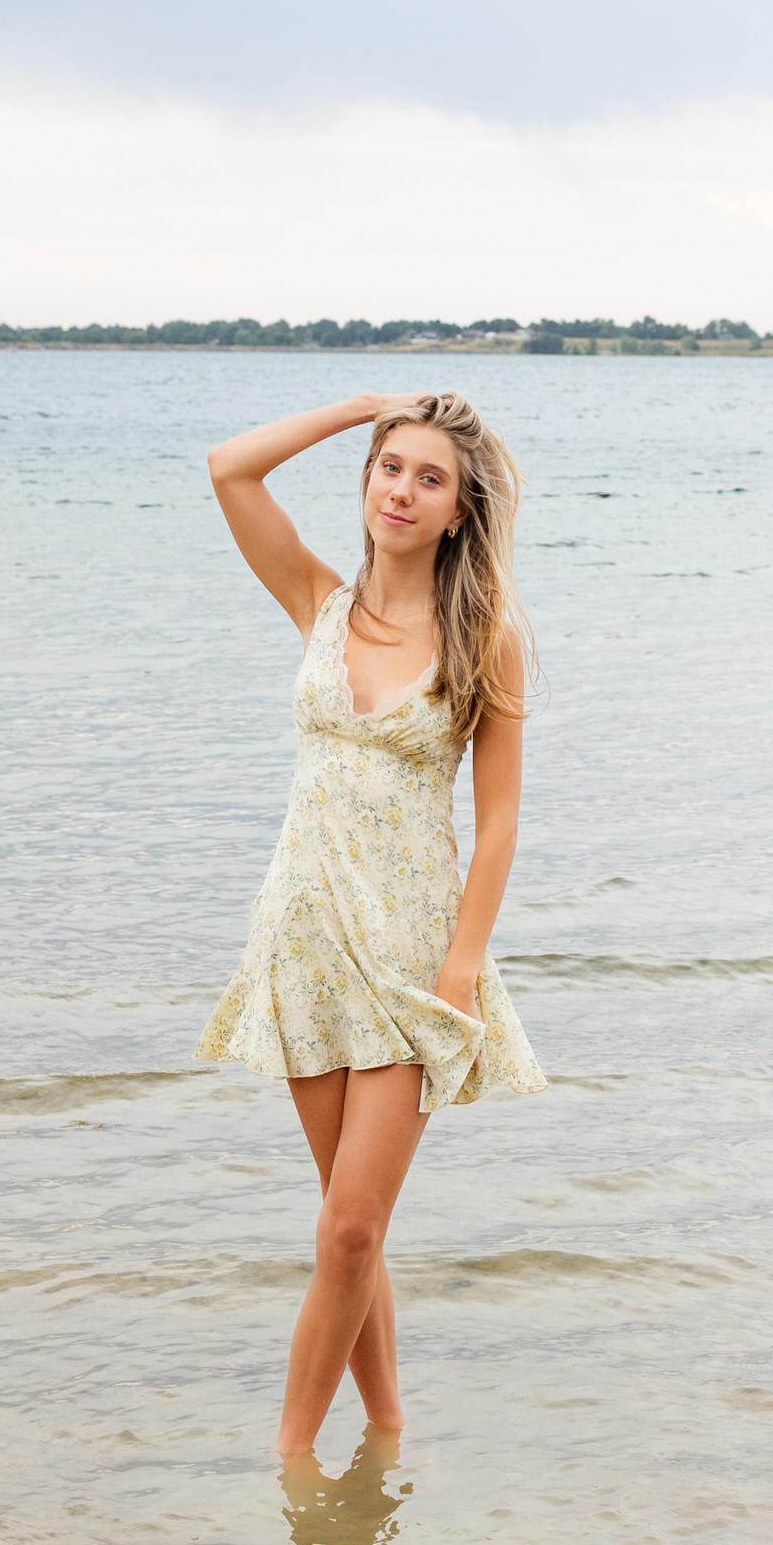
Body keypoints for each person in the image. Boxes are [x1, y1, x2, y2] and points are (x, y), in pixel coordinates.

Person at [197, 389, 546, 1457]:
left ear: (457, 510)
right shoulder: (317, 602)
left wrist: (463, 964)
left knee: (350, 1228)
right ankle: (386, 1433)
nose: (401, 488)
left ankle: (291, 1462)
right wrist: (360, 410)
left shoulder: (486, 639)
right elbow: (228, 466)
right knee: (351, 1230)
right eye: (389, 467)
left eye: (428, 477)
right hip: (303, 940)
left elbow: (496, 826)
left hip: (407, 958)